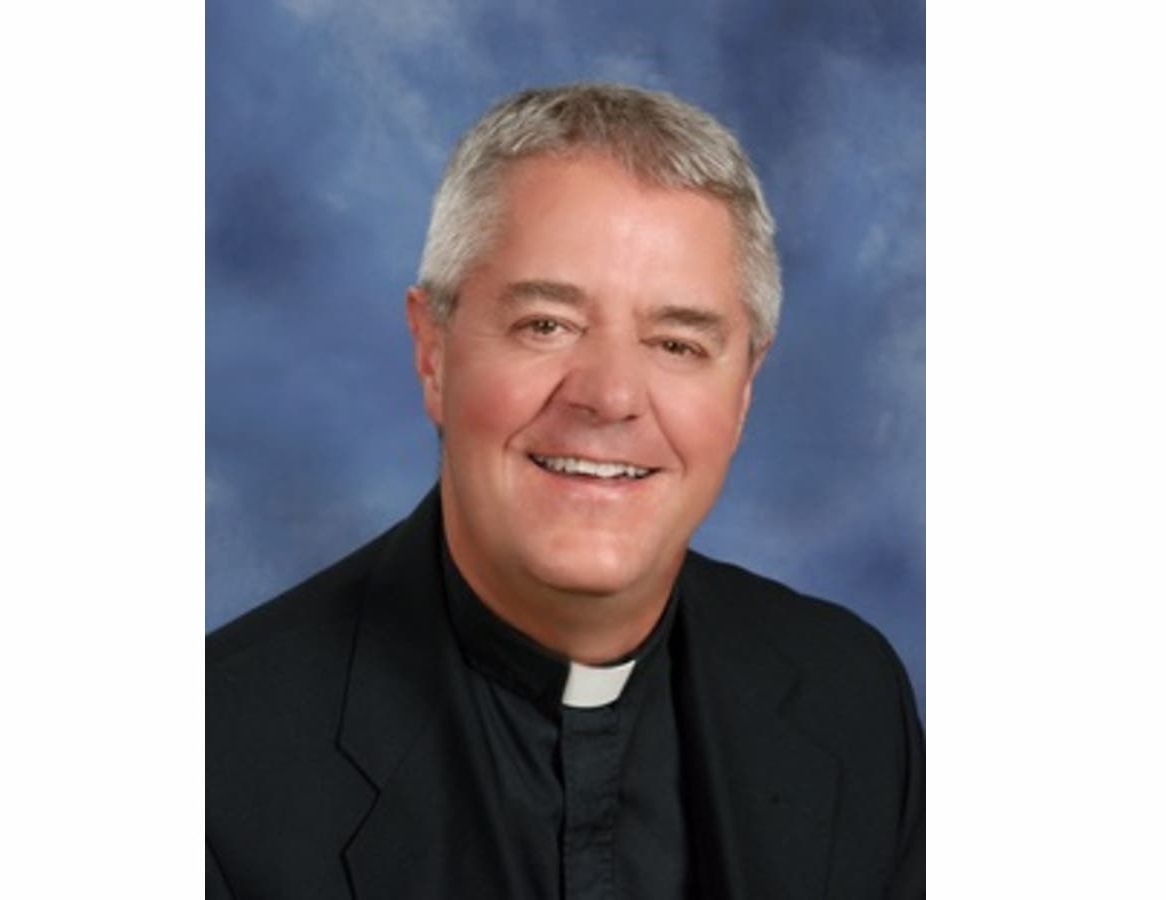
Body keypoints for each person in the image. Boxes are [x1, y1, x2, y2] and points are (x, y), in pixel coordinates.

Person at [207, 83, 924, 899]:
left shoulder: (850, 698)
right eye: (546, 325)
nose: (610, 396)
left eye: (677, 343)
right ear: (433, 352)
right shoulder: (215, 764)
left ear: (745, 389)